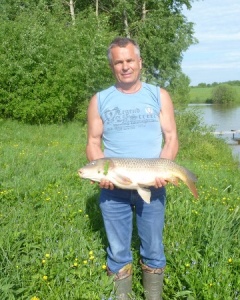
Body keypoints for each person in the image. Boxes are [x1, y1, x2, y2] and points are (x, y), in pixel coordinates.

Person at [86, 37, 179, 300]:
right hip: (113, 189)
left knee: (153, 246)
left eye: (129, 60)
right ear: (112, 66)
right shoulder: (100, 99)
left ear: (139, 62)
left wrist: (163, 169)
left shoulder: (159, 95)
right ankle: (121, 296)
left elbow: (171, 138)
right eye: (118, 62)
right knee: (117, 251)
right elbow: (93, 143)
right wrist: (101, 174)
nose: (125, 66)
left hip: (153, 184)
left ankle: (153, 296)